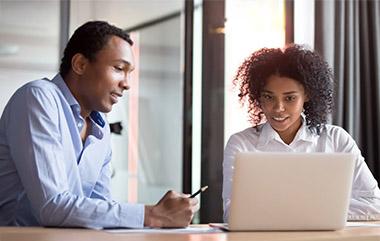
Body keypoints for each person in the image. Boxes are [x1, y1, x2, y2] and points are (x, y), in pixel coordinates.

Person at [0, 21, 198, 228]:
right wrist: (153, 215)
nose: (127, 83)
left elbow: (98, 207)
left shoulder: (100, 128)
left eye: (129, 73)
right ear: (80, 64)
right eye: (119, 68)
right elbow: (52, 206)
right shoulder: (39, 97)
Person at [222, 44, 380, 222]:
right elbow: (233, 213)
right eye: (268, 97)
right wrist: (323, 207)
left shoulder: (336, 139)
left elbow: (375, 204)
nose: (278, 108)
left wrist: (299, 208)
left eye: (289, 98)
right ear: (258, 96)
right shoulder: (241, 144)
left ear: (307, 95)